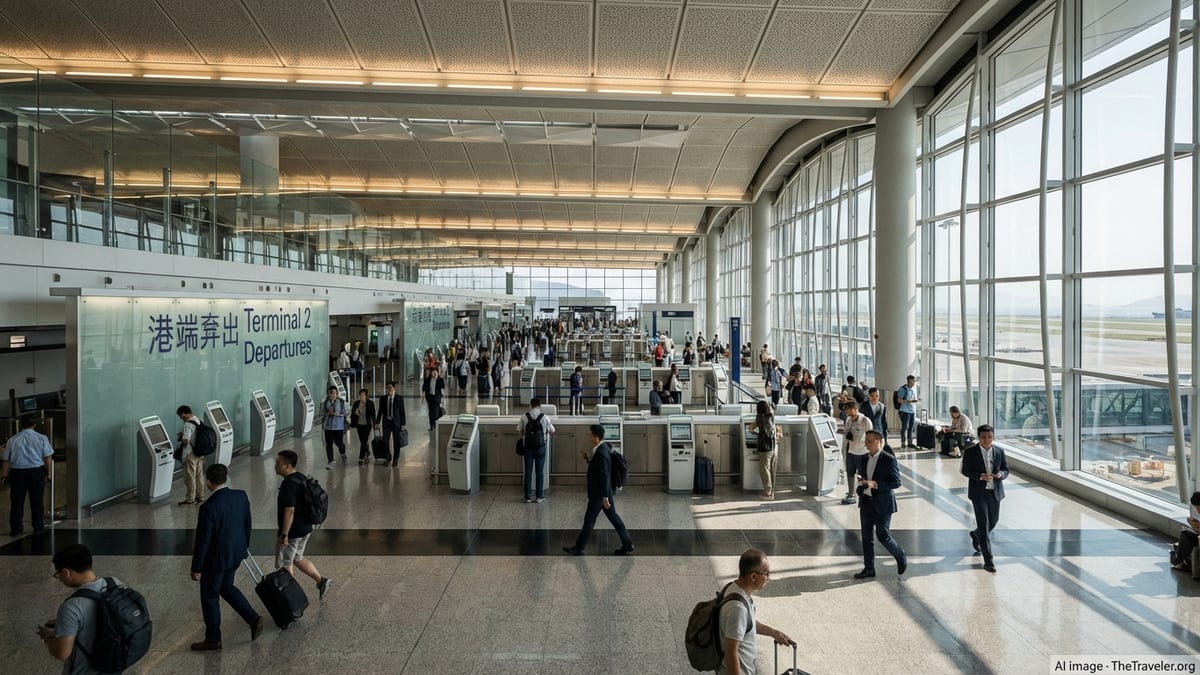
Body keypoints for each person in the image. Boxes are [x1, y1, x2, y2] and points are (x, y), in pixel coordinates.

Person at [189, 463, 264, 651]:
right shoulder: (241, 496)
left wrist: (196, 567)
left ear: (208, 481)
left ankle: (213, 639)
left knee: (210, 597)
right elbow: (247, 524)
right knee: (226, 587)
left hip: (215, 561)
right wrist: (244, 547)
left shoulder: (208, 508)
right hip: (236, 554)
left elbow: (203, 541)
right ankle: (253, 618)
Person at [39, 543, 123, 674]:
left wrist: (48, 637)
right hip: (114, 665)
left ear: (66, 572)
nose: (60, 579)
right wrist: (64, 622)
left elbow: (62, 653)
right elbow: (103, 614)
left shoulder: (72, 607)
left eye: (58, 575)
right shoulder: (115, 584)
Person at [717, 549, 794, 675]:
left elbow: (747, 624)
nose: (768, 578)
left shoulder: (734, 589)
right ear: (753, 576)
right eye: (767, 573)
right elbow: (730, 652)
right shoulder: (737, 608)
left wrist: (773, 633)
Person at [563, 425, 634, 556]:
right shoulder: (604, 448)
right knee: (613, 518)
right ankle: (627, 543)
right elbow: (599, 469)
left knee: (589, 521)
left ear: (596, 436)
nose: (589, 436)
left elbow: (604, 476)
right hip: (605, 492)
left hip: (599, 494)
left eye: (590, 434)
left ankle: (579, 547)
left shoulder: (601, 453)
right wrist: (587, 459)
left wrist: (605, 497)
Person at [274, 451, 332, 600]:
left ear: (288, 466)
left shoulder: (288, 485)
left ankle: (289, 600)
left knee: (286, 565)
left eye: (278, 463)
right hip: (306, 528)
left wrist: (285, 534)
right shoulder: (301, 477)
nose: (275, 466)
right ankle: (321, 581)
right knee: (298, 558)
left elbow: (290, 511)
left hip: (293, 532)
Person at [854, 431, 908, 579]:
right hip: (866, 501)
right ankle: (869, 568)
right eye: (866, 440)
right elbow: (864, 478)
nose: (867, 444)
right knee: (866, 537)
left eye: (870, 441)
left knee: (882, 535)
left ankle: (900, 554)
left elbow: (896, 482)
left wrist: (876, 484)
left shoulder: (888, 460)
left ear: (879, 442)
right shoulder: (864, 458)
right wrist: (862, 485)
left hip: (883, 503)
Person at [960, 425, 1008, 573]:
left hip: (995, 492)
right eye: (983, 437)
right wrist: (980, 476)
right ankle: (989, 561)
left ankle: (975, 535)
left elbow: (1006, 469)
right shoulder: (970, 452)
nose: (987, 440)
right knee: (984, 526)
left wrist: (1000, 475)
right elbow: (965, 470)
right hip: (978, 494)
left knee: (993, 521)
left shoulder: (999, 451)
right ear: (978, 437)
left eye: (989, 437)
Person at [1, 415, 54, 536]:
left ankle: (16, 529)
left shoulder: (12, 440)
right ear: (34, 424)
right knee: (37, 500)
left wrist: (4, 475)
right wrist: (49, 473)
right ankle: (38, 526)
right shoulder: (42, 438)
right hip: (36, 472)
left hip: (17, 473)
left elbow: (6, 460)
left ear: (20, 425)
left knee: (16, 502)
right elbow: (47, 457)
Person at [518, 397, 556, 503]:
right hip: (540, 447)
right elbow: (552, 430)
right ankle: (539, 496)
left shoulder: (524, 416)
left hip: (528, 447)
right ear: (540, 405)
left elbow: (519, 430)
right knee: (539, 472)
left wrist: (525, 436)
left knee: (528, 472)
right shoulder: (545, 417)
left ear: (530, 405)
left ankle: (528, 496)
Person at [174, 406, 207, 506]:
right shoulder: (197, 420)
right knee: (199, 475)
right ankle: (200, 496)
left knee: (190, 476)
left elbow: (186, 441)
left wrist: (181, 437)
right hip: (199, 452)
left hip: (190, 453)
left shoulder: (188, 424)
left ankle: (190, 498)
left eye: (181, 416)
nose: (182, 419)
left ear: (184, 413)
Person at [841, 401, 872, 505]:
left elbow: (870, 436)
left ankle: (865, 493)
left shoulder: (865, 421)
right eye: (848, 413)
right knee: (850, 473)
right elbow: (846, 432)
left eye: (852, 413)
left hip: (863, 452)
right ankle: (851, 493)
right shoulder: (848, 420)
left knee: (863, 474)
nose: (850, 416)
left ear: (856, 410)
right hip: (851, 451)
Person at [748, 400, 778, 501]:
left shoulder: (760, 418)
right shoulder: (771, 416)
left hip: (765, 447)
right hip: (773, 446)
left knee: (764, 469)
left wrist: (754, 432)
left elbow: (752, 428)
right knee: (772, 470)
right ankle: (772, 492)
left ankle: (767, 493)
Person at [375, 382, 406, 467]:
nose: (389, 391)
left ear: (394, 389)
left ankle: (396, 458)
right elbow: (380, 411)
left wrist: (403, 424)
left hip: (396, 423)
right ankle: (388, 457)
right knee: (385, 440)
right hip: (387, 422)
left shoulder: (399, 398)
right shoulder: (383, 399)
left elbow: (402, 412)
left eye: (391, 389)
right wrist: (377, 422)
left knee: (396, 442)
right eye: (388, 388)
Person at [1171, 491, 1200, 572]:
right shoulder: (1193, 506)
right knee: (1185, 533)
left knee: (1185, 536)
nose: (1198, 511)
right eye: (1196, 508)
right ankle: (1180, 560)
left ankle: (1178, 561)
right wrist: (1193, 524)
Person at [320, 386, 348, 470]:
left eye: (334, 393)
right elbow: (321, 413)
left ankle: (343, 453)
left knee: (339, 443)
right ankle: (331, 461)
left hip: (338, 427)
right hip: (328, 427)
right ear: (328, 394)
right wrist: (327, 413)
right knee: (329, 444)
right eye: (331, 393)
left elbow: (347, 411)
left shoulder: (342, 402)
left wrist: (337, 414)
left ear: (337, 394)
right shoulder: (324, 402)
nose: (332, 395)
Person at [350, 389, 376, 466]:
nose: (362, 397)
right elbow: (352, 415)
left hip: (367, 425)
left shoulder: (370, 403)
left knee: (364, 441)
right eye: (361, 395)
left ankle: (361, 458)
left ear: (366, 396)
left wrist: (375, 424)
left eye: (363, 395)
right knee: (362, 441)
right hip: (359, 425)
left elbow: (373, 415)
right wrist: (356, 412)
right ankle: (367, 452)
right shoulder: (356, 403)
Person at [897, 375, 920, 449]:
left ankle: (910, 442)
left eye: (914, 382)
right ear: (908, 381)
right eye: (912, 382)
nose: (913, 383)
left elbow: (912, 399)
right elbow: (899, 400)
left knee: (911, 427)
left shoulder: (912, 390)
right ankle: (903, 442)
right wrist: (908, 401)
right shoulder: (903, 389)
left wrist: (916, 400)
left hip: (911, 411)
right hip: (904, 411)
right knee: (904, 427)